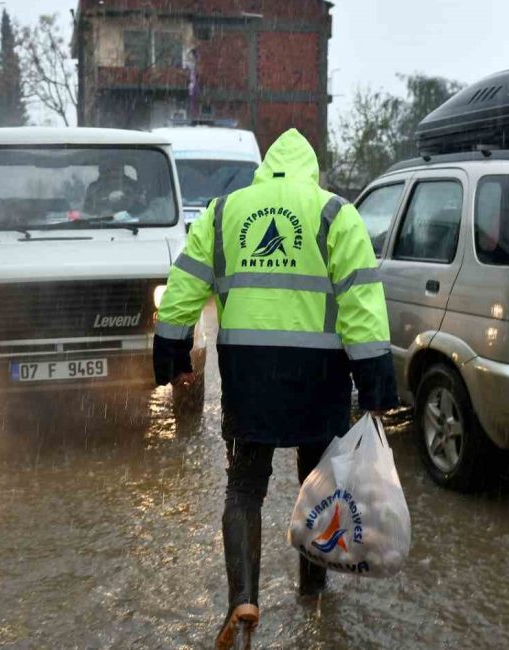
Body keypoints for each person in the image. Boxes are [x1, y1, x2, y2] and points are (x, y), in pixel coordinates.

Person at [152, 128, 398, 648]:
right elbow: (361, 304)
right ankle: (313, 596)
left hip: (248, 377)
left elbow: (185, 284)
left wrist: (173, 352)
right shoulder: (335, 214)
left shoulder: (223, 213)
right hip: (319, 379)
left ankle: (243, 598)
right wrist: (375, 386)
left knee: (244, 488)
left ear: (264, 168)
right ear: (312, 170)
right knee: (319, 485)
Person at [83, 155, 147, 216]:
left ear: (122, 169)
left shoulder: (134, 186)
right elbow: (87, 211)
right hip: (100, 223)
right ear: (102, 171)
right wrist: (104, 202)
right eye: (108, 169)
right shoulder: (94, 188)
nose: (113, 172)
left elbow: (144, 209)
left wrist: (130, 200)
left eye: (116, 168)